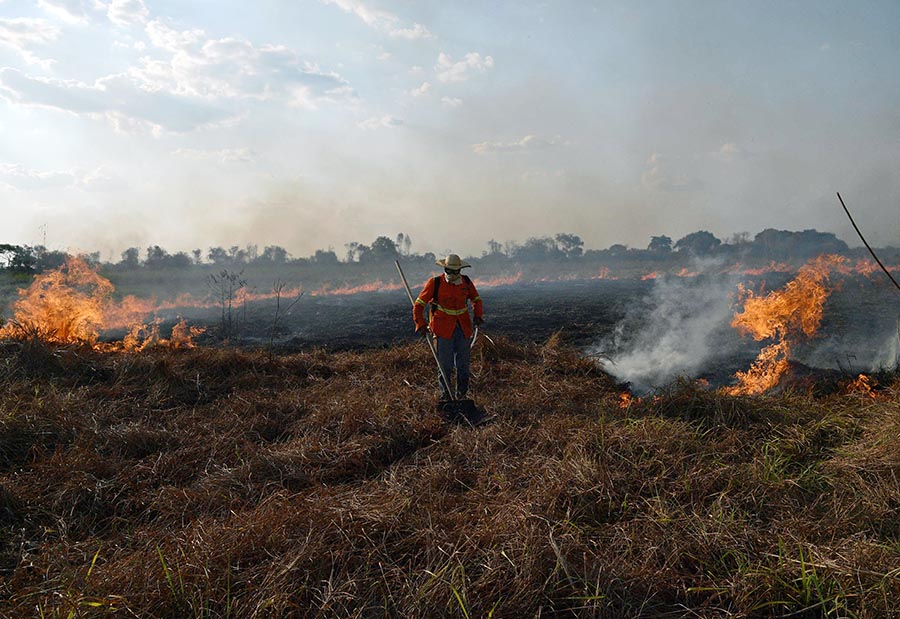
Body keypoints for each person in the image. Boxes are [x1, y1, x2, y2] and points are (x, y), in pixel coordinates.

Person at [413, 254, 484, 400]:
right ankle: (446, 397)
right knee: (445, 366)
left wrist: (477, 316)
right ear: (444, 268)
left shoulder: (466, 282)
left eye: (454, 271)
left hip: (463, 329)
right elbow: (419, 305)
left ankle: (462, 395)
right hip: (442, 330)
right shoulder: (435, 283)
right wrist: (420, 324)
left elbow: (476, 299)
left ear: (460, 270)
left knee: (463, 366)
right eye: (448, 270)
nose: (451, 274)